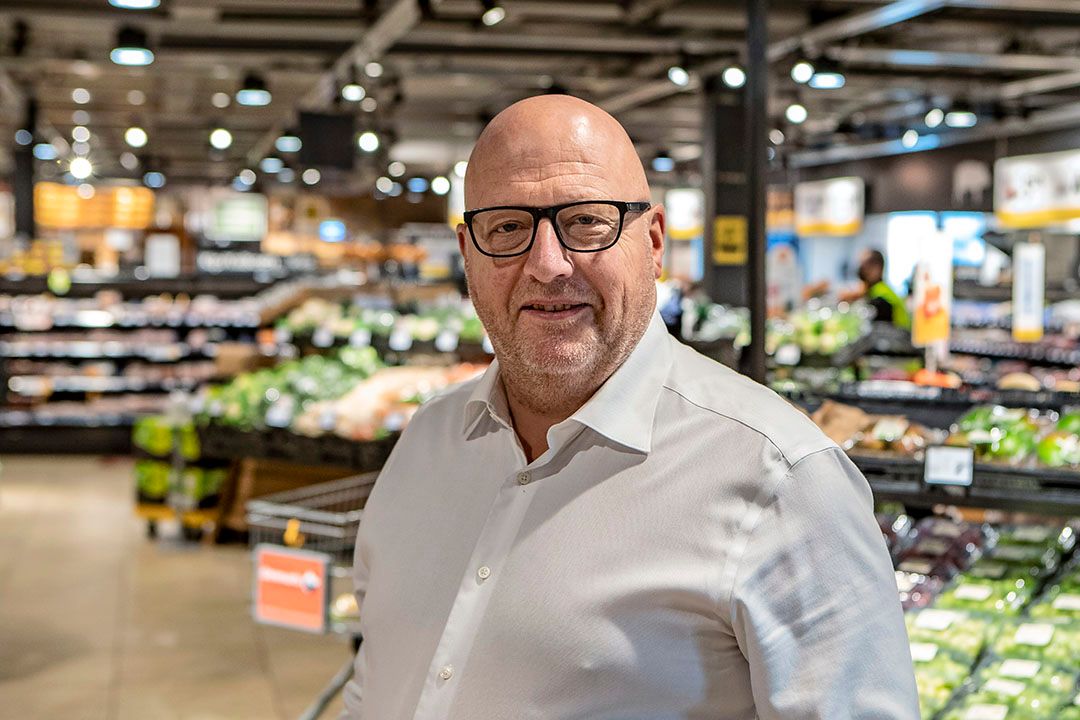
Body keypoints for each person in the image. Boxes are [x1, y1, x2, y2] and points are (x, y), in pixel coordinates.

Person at [341, 95, 918, 720]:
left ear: (653, 241)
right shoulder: (426, 443)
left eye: (588, 221)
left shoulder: (780, 480)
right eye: (507, 227)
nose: (547, 264)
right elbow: (376, 682)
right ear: (467, 253)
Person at [858, 249, 911, 329]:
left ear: (877, 268)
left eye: (865, 266)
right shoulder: (883, 289)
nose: (862, 271)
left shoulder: (880, 297)